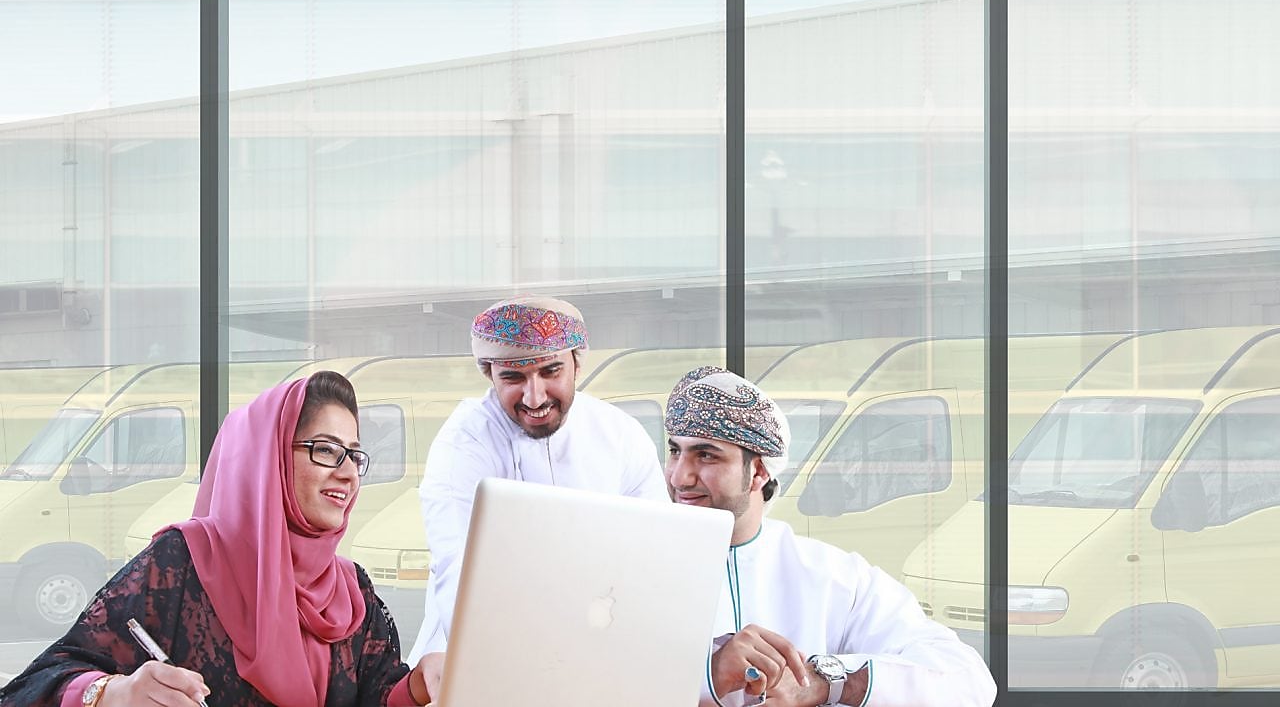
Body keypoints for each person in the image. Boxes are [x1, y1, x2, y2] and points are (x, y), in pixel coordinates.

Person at [0, 371, 440, 707]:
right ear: (268, 457)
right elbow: (35, 685)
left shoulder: (351, 589)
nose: (347, 472)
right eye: (325, 449)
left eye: (354, 454)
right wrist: (115, 693)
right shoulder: (183, 562)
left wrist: (420, 686)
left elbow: (379, 697)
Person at [663, 366, 996, 707]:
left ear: (759, 471)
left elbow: (969, 682)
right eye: (675, 451)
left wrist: (824, 682)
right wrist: (710, 675)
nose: (680, 476)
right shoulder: (638, 566)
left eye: (705, 455)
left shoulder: (834, 576)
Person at [408, 295, 667, 662]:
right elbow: (459, 575)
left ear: (577, 364)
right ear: (490, 375)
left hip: (602, 648)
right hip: (484, 656)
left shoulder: (620, 435)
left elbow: (658, 556)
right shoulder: (463, 445)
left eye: (550, 371)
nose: (534, 396)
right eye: (513, 377)